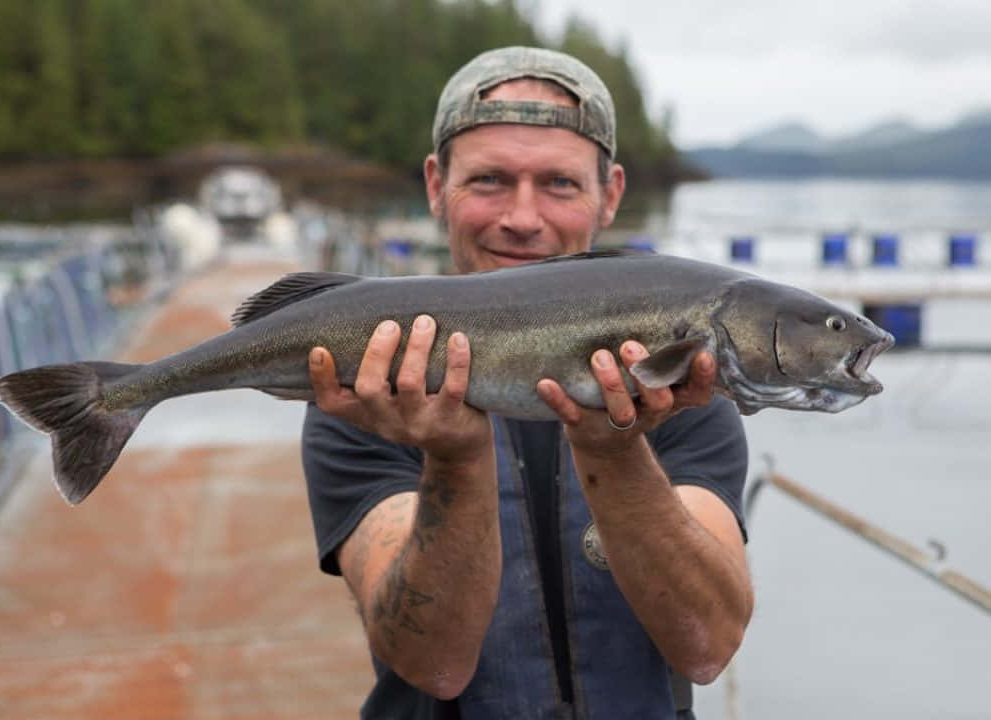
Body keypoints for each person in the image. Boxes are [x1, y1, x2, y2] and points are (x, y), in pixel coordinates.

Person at [301, 46, 753, 719]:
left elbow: (707, 648)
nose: (521, 217)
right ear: (435, 185)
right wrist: (454, 462)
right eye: (488, 180)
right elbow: (435, 663)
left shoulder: (677, 380)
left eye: (560, 184)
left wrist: (616, 450)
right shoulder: (372, 388)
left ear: (611, 196)